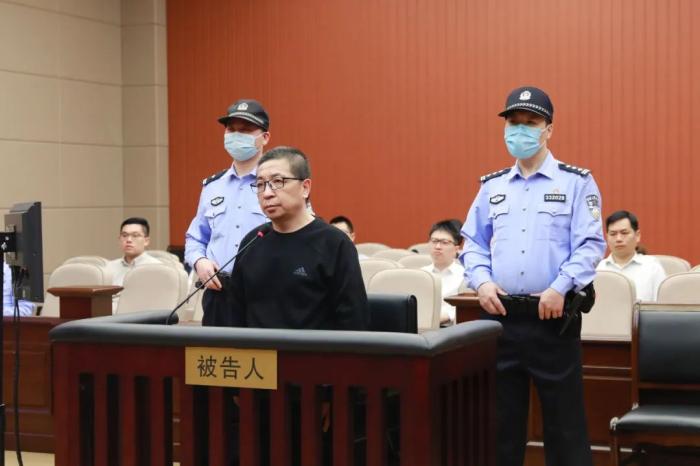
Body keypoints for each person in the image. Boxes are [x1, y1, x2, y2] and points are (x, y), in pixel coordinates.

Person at [460, 86, 606, 466]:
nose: (520, 130)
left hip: (553, 317)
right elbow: (472, 243)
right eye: (514, 122)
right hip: (500, 318)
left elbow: (591, 245)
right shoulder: (492, 186)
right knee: (500, 427)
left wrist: (560, 286)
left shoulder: (576, 182)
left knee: (564, 428)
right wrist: (482, 282)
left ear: (548, 130)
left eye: (531, 122)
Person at [225, 146, 369, 330]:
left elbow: (354, 320)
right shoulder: (252, 241)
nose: (267, 193)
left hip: (313, 349)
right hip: (258, 349)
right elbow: (235, 316)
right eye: (260, 184)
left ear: (305, 188)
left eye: (278, 181)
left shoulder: (334, 243)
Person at [184, 99, 270, 326]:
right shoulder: (212, 186)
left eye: (246, 129)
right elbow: (195, 238)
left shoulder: (280, 183)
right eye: (231, 129)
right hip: (219, 293)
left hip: (265, 294)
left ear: (265, 137)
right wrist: (200, 261)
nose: (236, 135)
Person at [596, 210, 666, 301]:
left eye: (624, 233)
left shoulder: (652, 267)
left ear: (637, 235)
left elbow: (662, 305)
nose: (618, 239)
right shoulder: (598, 270)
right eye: (613, 234)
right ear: (607, 237)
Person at [106, 217, 162, 310]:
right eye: (124, 235)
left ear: (146, 241)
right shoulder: (109, 267)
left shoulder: (157, 268)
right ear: (119, 239)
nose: (128, 240)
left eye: (135, 235)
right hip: (108, 314)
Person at [420, 219, 465, 326]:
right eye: (434, 241)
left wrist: (446, 316)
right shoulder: (421, 274)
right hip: (419, 327)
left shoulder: (464, 276)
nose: (438, 247)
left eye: (444, 242)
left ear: (456, 249)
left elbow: (465, 309)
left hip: (450, 329)